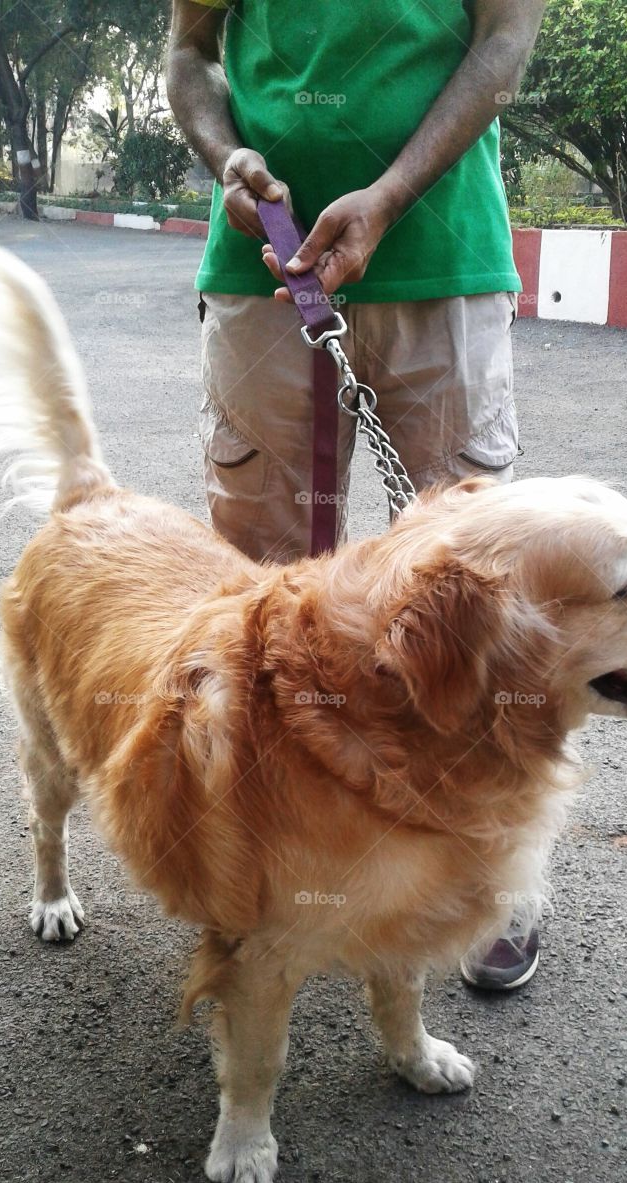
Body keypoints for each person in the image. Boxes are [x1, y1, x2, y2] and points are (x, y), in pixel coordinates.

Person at [167, 0, 546, 989]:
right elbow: (191, 54)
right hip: (264, 262)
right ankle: (270, 857)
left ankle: (481, 873)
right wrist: (227, 159)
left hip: (442, 256)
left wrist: (389, 193)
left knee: (473, 596)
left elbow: (505, 40)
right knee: (258, 584)